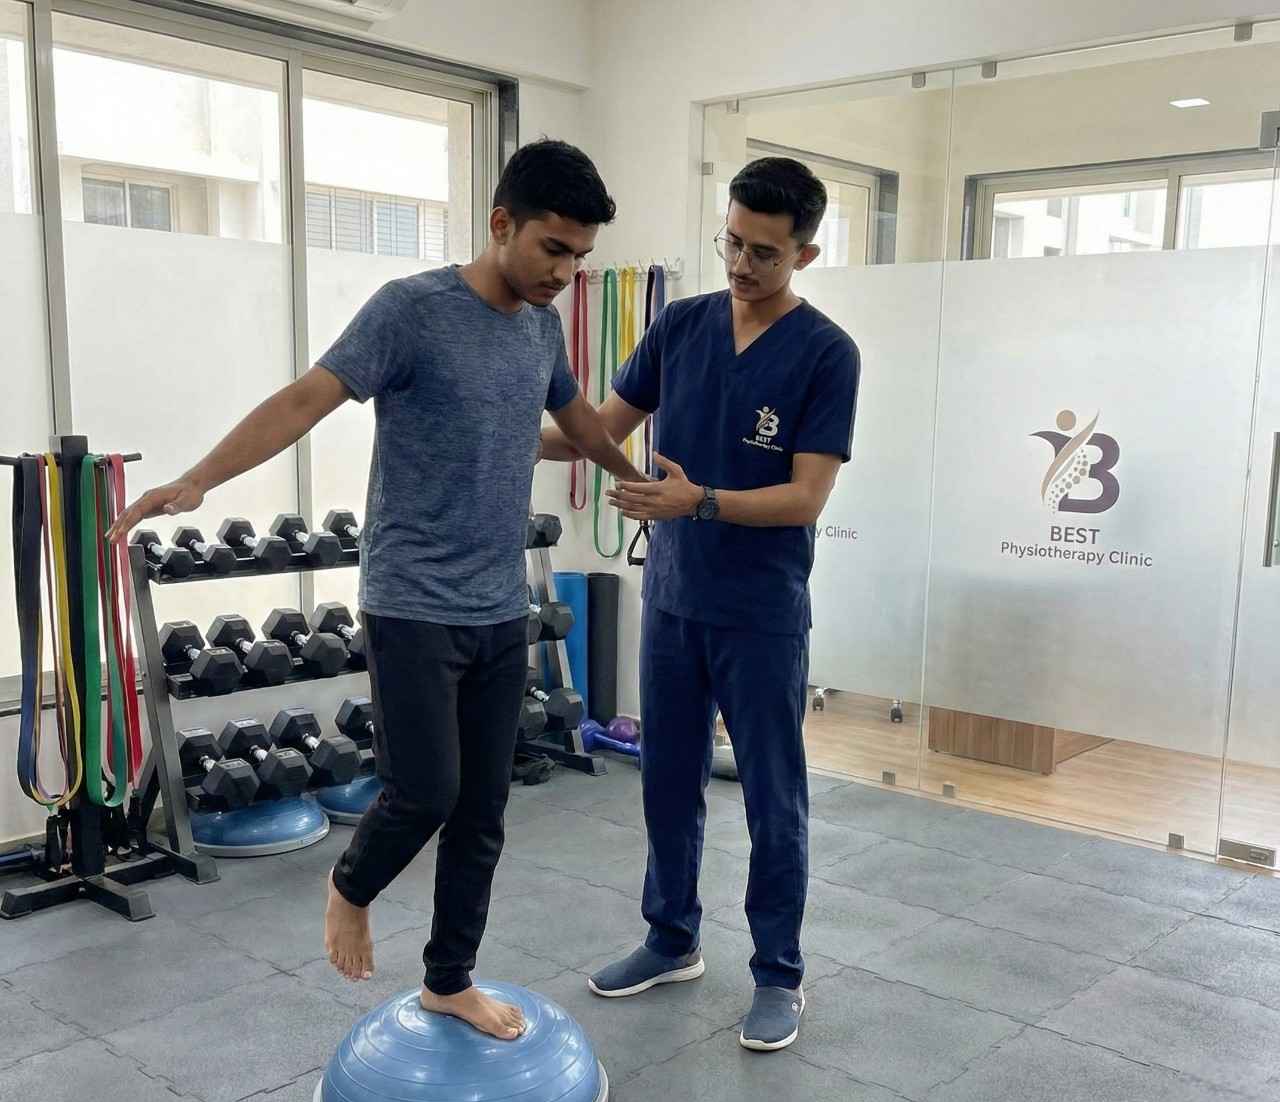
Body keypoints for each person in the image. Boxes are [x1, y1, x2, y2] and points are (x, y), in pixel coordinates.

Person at [109, 139, 647, 1040]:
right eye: (553, 248)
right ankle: (348, 887)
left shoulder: (541, 329)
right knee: (424, 793)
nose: (566, 272)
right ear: (501, 223)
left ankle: (449, 979)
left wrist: (630, 477)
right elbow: (303, 400)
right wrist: (199, 481)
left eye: (580, 256)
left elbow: (573, 418)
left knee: (484, 810)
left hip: (497, 604)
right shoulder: (410, 312)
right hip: (410, 600)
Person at [540, 156, 859, 1052]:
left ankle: (778, 974)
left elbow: (805, 500)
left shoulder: (828, 354)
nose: (742, 264)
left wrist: (701, 500)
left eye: (765, 250)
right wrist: (491, 435)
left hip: (759, 612)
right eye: (731, 241)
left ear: (806, 251)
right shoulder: (679, 326)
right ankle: (671, 938)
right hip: (674, 602)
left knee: (772, 799)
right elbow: (598, 428)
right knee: (667, 782)